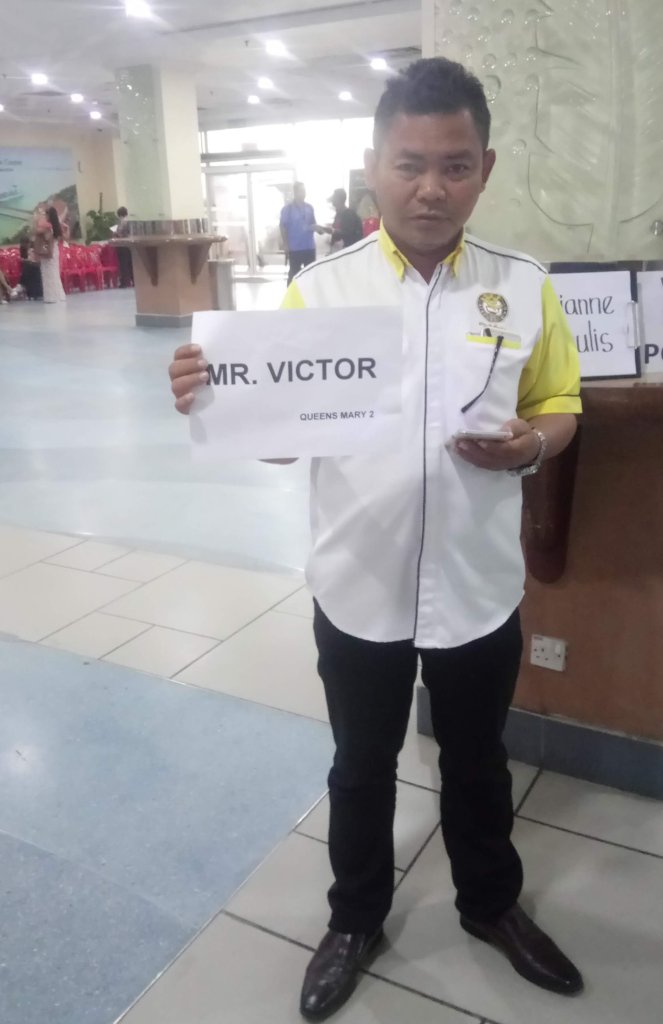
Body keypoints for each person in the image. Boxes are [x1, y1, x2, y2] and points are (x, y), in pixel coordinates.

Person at [169, 58, 583, 1021]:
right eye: (409, 163)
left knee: (478, 759)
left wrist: (532, 441)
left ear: (485, 167)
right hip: (357, 584)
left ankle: (489, 904)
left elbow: (559, 405)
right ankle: (354, 917)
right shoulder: (322, 292)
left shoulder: (523, 288)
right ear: (372, 166)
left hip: (478, 586)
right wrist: (214, 398)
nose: (430, 187)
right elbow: (277, 445)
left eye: (453, 164)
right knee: (359, 764)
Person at [280, 182, 321, 285]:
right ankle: (292, 298)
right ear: (295, 192)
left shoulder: (309, 208)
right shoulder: (287, 209)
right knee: (294, 275)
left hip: (309, 247)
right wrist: (285, 244)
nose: (304, 193)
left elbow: (313, 223)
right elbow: (283, 226)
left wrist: (318, 229)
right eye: (301, 191)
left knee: (310, 274)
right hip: (295, 248)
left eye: (304, 191)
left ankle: (308, 296)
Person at [35, 206, 66, 304]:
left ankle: (51, 296)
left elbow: (37, 231)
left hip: (47, 251)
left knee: (48, 274)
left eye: (46, 214)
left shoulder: (48, 226)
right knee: (54, 273)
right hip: (55, 250)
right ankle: (59, 295)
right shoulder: (56, 226)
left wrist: (40, 218)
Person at [115, 206, 133, 288]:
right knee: (130, 263)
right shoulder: (130, 221)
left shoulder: (122, 222)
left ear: (119, 215)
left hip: (122, 244)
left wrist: (114, 233)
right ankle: (133, 280)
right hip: (129, 244)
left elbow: (118, 232)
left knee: (123, 264)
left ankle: (125, 282)